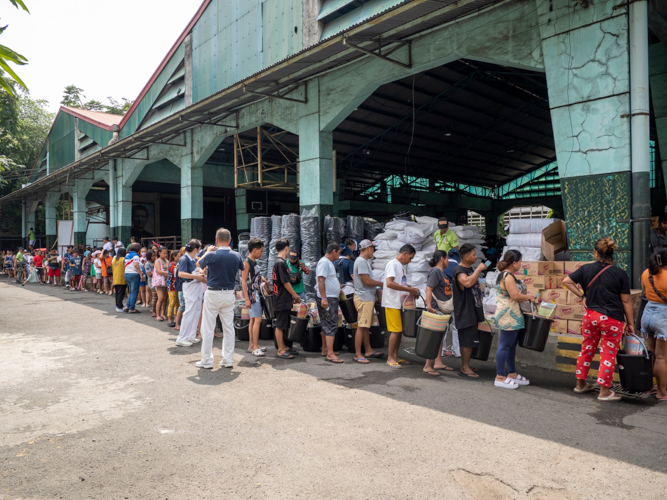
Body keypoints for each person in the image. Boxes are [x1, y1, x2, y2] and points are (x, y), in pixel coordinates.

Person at [563, 238, 634, 402]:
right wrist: (630, 323)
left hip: (590, 317)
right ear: (611, 255)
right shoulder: (620, 274)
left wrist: (582, 296)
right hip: (612, 319)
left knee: (587, 348)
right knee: (608, 354)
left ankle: (580, 384)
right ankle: (604, 391)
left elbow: (566, 281)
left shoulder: (585, 269)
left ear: (595, 253)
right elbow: (626, 301)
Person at [196, 229, 244, 369]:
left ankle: (207, 360)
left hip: (213, 293)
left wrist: (208, 251)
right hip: (229, 293)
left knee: (208, 327)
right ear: (230, 240)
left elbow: (199, 264)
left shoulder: (211, 255)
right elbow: (242, 268)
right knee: (228, 327)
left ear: (216, 240)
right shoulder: (236, 255)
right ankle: (228, 359)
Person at [493, 250, 540, 389]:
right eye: (520, 261)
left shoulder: (508, 275)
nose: (521, 264)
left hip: (512, 313)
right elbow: (515, 295)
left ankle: (512, 373)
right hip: (508, 314)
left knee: (511, 345)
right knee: (504, 345)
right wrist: (529, 297)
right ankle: (500, 376)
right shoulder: (507, 276)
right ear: (514, 263)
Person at [453, 243, 487, 378]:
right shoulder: (459, 270)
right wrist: (478, 269)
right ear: (466, 256)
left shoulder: (469, 268)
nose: (475, 256)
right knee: (467, 339)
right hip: (465, 310)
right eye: (473, 254)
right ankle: (465, 367)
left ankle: (465, 364)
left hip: (472, 309)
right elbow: (467, 283)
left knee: (469, 338)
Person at [382, 244, 420, 368]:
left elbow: (399, 284)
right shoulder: (393, 264)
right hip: (391, 302)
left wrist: (410, 291)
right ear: (404, 253)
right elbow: (389, 283)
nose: (410, 261)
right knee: (395, 331)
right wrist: (408, 289)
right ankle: (390, 358)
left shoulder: (400, 266)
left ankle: (395, 356)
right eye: (410, 258)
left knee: (399, 332)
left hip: (398, 303)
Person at [422, 250, 455, 376]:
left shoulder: (441, 272)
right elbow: (429, 289)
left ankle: (438, 362)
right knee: (433, 337)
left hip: (441, 310)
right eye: (447, 259)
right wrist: (429, 306)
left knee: (440, 337)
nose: (447, 261)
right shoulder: (436, 271)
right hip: (436, 309)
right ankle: (427, 365)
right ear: (442, 259)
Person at [640, 248, 667, 401]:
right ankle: (662, 392)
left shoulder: (646, 273)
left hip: (647, 313)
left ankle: (650, 386)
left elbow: (645, 291)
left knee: (651, 354)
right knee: (662, 357)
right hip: (663, 316)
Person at [352, 240, 384, 364]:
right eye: (372, 249)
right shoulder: (361, 262)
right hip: (364, 298)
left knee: (365, 326)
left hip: (367, 298)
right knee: (362, 326)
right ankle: (358, 354)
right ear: (368, 248)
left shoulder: (363, 262)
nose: (373, 251)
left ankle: (368, 350)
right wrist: (382, 283)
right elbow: (367, 281)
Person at [272, 238, 302, 359]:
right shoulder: (281, 263)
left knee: (283, 324)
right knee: (280, 325)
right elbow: (286, 283)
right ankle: (280, 350)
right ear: (286, 248)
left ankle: (284, 346)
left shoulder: (278, 262)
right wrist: (295, 295)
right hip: (281, 299)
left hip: (282, 298)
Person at [317, 243, 344, 364]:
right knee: (331, 324)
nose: (339, 255)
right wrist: (324, 298)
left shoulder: (328, 263)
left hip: (330, 297)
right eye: (339, 252)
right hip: (328, 298)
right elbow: (321, 280)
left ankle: (325, 349)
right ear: (334, 251)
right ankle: (330, 353)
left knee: (326, 323)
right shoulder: (324, 262)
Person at [175, 240, 204, 347]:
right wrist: (196, 276)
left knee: (196, 311)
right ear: (195, 249)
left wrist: (199, 273)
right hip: (190, 286)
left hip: (195, 286)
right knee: (189, 312)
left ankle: (190, 336)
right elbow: (181, 274)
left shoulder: (192, 259)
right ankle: (182, 337)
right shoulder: (184, 259)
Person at [242, 238, 268, 357]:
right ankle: (255, 347)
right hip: (253, 295)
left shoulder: (253, 261)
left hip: (254, 293)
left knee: (253, 319)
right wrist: (247, 298)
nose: (261, 253)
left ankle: (252, 345)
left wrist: (260, 278)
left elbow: (251, 277)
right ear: (255, 250)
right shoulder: (247, 262)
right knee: (257, 319)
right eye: (261, 251)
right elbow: (243, 281)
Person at [123, 243, 142, 314]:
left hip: (126, 273)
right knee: (134, 291)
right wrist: (140, 274)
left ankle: (127, 306)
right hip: (134, 274)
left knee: (131, 291)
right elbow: (136, 265)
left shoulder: (127, 255)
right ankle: (132, 308)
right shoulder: (135, 256)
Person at [152, 247, 169, 322]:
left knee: (165, 298)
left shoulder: (167, 261)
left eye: (166, 253)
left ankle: (163, 313)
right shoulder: (157, 261)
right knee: (160, 298)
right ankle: (158, 315)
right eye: (164, 253)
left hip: (166, 281)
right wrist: (169, 272)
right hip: (159, 282)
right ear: (159, 253)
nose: (165, 255)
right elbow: (158, 271)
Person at [166, 250, 180, 327]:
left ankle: (175, 319)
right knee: (172, 302)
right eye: (178, 256)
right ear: (174, 257)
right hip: (172, 286)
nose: (179, 257)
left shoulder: (177, 264)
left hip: (177, 286)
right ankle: (169, 319)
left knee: (177, 303)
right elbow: (173, 275)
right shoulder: (171, 264)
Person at [112, 248, 127, 312]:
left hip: (115, 278)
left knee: (117, 293)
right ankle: (119, 306)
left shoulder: (114, 259)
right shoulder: (123, 259)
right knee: (121, 293)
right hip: (122, 278)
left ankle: (118, 306)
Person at [145, 250, 157, 316]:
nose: (154, 257)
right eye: (152, 256)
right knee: (154, 296)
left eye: (155, 255)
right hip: (152, 282)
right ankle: (153, 309)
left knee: (158, 297)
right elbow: (149, 274)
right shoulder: (148, 264)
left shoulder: (156, 262)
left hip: (158, 282)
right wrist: (156, 269)